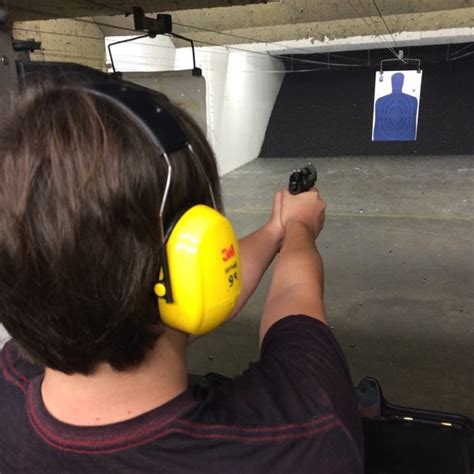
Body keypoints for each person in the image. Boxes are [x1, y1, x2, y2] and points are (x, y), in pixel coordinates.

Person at [0, 80, 363, 473]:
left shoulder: (9, 381)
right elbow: (296, 303)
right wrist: (300, 229)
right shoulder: (303, 438)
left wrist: (276, 229)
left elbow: (155, 297)